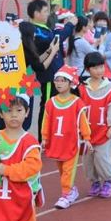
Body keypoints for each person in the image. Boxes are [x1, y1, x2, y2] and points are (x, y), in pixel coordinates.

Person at [41, 65, 91, 209]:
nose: (59, 83)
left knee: (68, 170)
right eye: (57, 80)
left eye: (63, 80)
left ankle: (65, 194)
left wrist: (86, 138)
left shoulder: (77, 103)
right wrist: (45, 138)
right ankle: (71, 190)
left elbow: (83, 122)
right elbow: (46, 122)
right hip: (57, 142)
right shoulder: (51, 103)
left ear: (70, 83)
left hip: (71, 143)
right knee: (62, 170)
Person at [28, 0, 75, 142]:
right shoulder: (35, 30)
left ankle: (52, 135)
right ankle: (43, 138)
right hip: (48, 76)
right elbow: (55, 40)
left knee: (55, 104)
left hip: (56, 73)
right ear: (36, 13)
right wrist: (69, 25)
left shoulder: (44, 28)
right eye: (45, 11)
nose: (48, 14)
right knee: (47, 105)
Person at [79, 52, 111, 198]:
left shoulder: (109, 87)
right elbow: (79, 109)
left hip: (103, 131)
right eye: (95, 67)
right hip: (87, 132)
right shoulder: (83, 87)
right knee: (88, 159)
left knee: (102, 157)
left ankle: (108, 180)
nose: (99, 70)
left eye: (101, 67)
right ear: (88, 69)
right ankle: (94, 181)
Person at [18, 21, 60, 130]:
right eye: (34, 33)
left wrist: (49, 50)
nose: (35, 35)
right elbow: (41, 67)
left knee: (24, 117)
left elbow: (36, 62)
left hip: (24, 84)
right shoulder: (22, 49)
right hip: (21, 87)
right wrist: (53, 51)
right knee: (24, 117)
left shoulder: (25, 47)